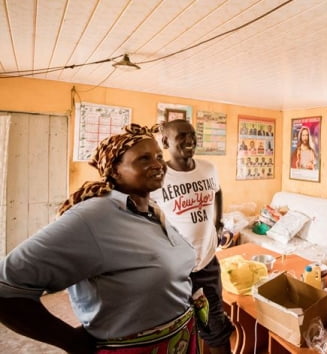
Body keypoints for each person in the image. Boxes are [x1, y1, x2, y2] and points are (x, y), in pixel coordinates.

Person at [0, 124, 198, 353]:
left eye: (158, 156)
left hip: (180, 339)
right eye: (143, 159)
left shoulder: (152, 209)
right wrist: (71, 341)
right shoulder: (93, 216)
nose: (157, 164)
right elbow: (6, 289)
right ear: (113, 171)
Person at [151, 119, 234, 354]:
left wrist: (218, 224)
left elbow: (217, 191)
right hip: (176, 269)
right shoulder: (157, 176)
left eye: (192, 135)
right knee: (178, 327)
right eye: (182, 136)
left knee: (215, 325)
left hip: (207, 264)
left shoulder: (208, 168)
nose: (190, 140)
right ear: (166, 141)